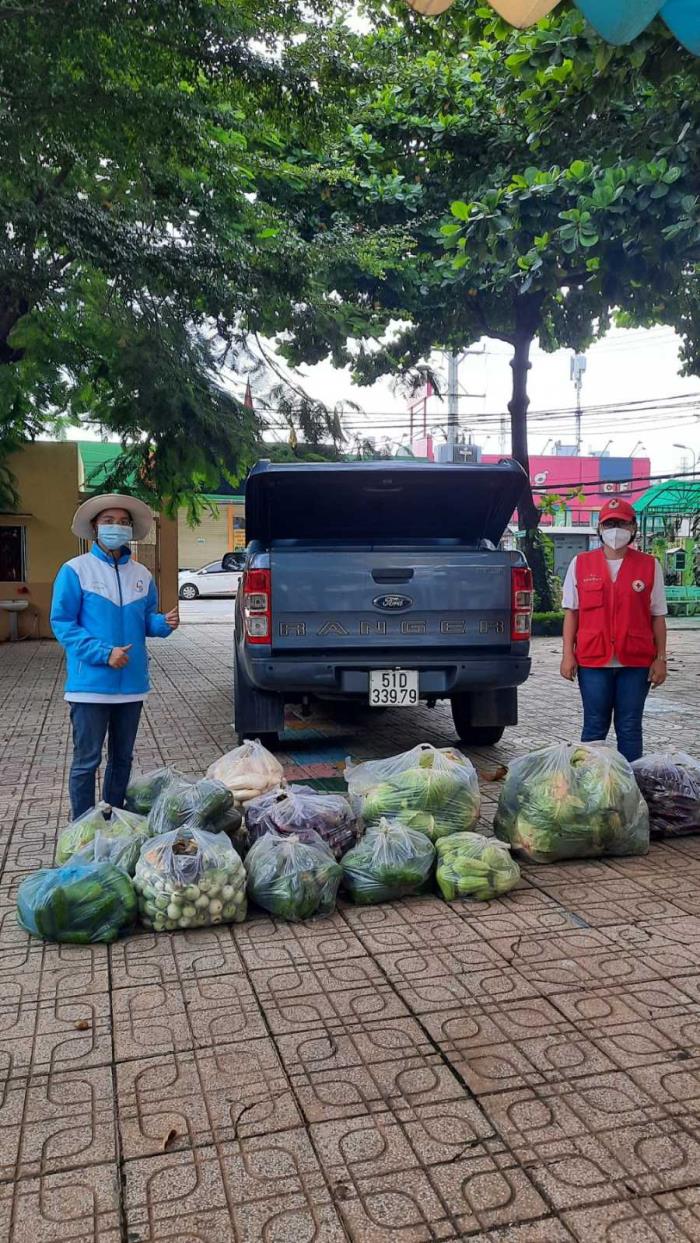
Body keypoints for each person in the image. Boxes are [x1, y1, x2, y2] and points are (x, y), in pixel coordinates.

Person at [51, 494, 179, 818]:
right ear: (94, 527)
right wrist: (104, 653)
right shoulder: (75, 571)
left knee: (122, 758)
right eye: (108, 521)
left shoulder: (142, 575)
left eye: (123, 522)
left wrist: (163, 623)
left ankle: (113, 817)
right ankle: (82, 824)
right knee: (86, 760)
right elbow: (62, 623)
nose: (116, 527)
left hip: (132, 686)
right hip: (90, 686)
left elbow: (145, 620)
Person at [560, 497, 667, 763]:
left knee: (630, 727)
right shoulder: (581, 564)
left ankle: (630, 787)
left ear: (633, 528)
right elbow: (572, 613)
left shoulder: (649, 565)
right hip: (593, 660)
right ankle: (591, 785)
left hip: (636, 661)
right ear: (599, 529)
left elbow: (657, 617)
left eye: (622, 523)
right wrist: (567, 655)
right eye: (610, 524)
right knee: (595, 726)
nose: (615, 530)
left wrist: (660, 658)